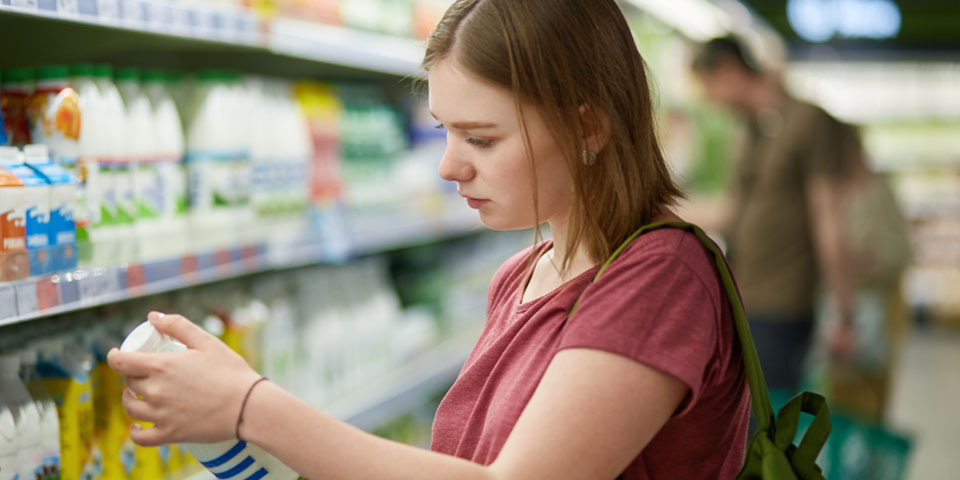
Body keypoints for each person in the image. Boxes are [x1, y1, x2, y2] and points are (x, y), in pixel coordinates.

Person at [108, 1, 750, 478]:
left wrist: (250, 406)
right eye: (443, 130)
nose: (449, 166)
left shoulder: (662, 277)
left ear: (588, 126)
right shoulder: (522, 276)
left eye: (481, 138)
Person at [690, 36, 857, 397]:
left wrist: (844, 313)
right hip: (746, 296)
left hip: (783, 303)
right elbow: (734, 209)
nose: (709, 100)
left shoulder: (805, 120)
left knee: (766, 426)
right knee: (741, 417)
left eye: (708, 86)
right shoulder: (749, 130)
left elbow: (828, 217)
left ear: (730, 72)